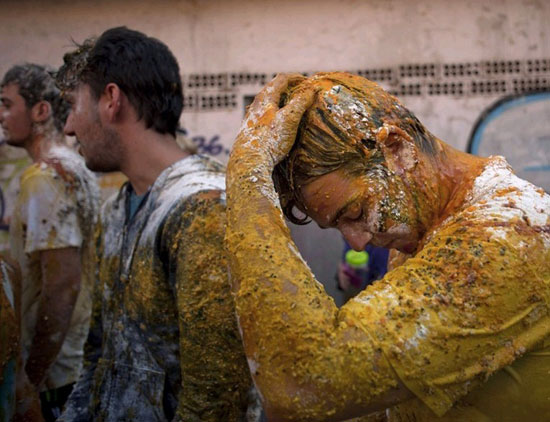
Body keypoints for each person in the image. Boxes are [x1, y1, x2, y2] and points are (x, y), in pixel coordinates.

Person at [225, 72, 550, 421]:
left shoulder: (506, 235)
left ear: (397, 149)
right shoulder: (429, 227)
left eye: (355, 212)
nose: (357, 242)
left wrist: (248, 177)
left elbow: (304, 386)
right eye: (337, 227)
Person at [55, 27, 257, 421]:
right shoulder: (114, 211)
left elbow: (217, 396)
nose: (67, 127)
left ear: (111, 100)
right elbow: (98, 355)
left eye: (72, 106)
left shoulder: (203, 207)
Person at [0, 64, 100, 421]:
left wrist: (30, 377)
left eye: (7, 104)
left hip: (55, 374)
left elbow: (61, 286)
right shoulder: (76, 168)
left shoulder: (43, 178)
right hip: (75, 360)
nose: (1, 116)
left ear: (40, 111)